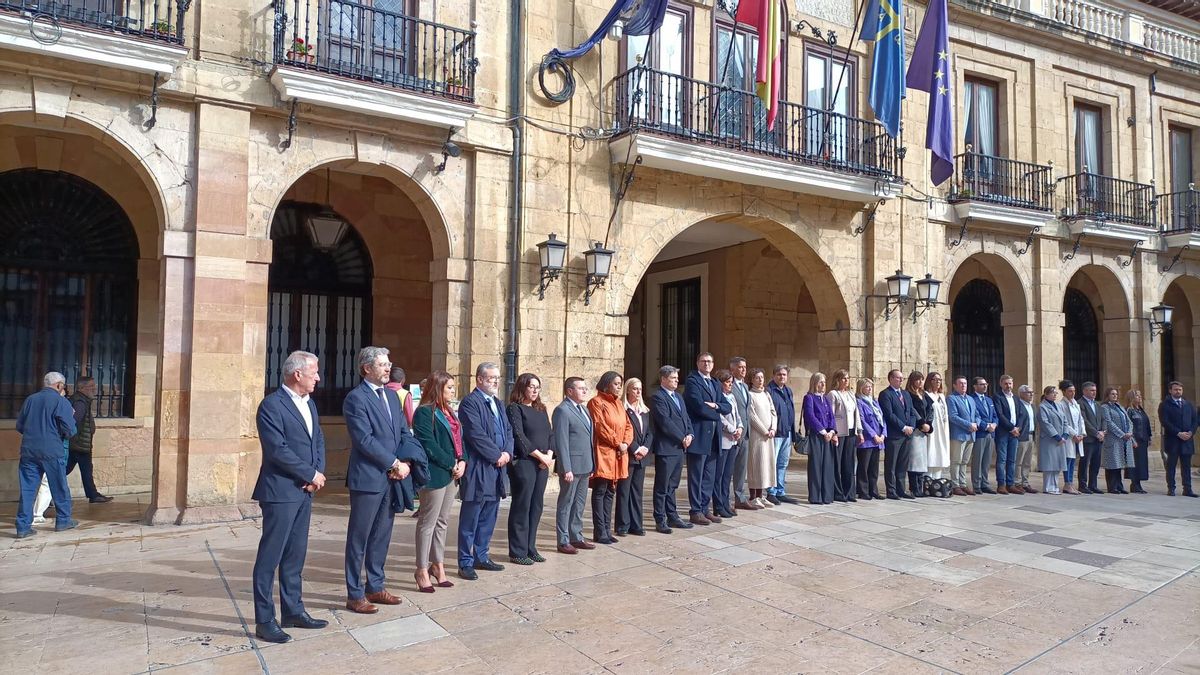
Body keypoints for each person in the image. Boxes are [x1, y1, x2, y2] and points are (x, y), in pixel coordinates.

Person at [251, 351, 328, 644]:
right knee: (270, 557)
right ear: (297, 375)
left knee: (296, 554)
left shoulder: (310, 404)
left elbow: (317, 439)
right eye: (314, 373)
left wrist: (317, 473)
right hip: (281, 491)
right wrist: (310, 474)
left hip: (305, 490)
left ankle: (293, 610)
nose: (318, 378)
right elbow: (278, 449)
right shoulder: (272, 405)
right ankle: (265, 619)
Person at [343, 346, 424, 613]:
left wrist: (407, 461)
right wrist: (393, 462)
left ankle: (375, 586)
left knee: (382, 535)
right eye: (382, 364)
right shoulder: (356, 398)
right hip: (368, 478)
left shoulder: (391, 398)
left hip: (392, 477)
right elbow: (364, 439)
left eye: (389, 364)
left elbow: (403, 432)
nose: (388, 368)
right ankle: (355, 593)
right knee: (360, 536)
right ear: (367, 368)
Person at [457, 362, 513, 577]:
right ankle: (465, 561)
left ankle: (482, 555)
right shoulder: (470, 403)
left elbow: (507, 430)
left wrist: (507, 453)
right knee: (471, 516)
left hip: (498, 467)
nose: (496, 381)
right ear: (479, 379)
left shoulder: (497, 403)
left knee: (490, 513)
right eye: (491, 378)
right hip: (480, 467)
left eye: (497, 378)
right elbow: (475, 433)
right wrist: (496, 455)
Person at [412, 370, 466, 592]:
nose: (453, 391)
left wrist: (462, 461)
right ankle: (421, 569)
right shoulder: (425, 413)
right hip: (436, 473)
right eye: (449, 387)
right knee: (428, 522)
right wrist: (450, 463)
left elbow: (459, 441)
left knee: (443, 522)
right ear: (437, 388)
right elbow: (428, 444)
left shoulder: (450, 412)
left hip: (453, 473)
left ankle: (438, 565)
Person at [14, 372, 77, 538]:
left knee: (27, 490)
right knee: (59, 486)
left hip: (29, 450)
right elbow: (70, 430)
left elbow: (20, 425)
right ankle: (63, 520)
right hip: (51, 450)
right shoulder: (60, 401)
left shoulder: (30, 400)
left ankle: (23, 526)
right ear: (59, 385)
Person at [506, 373, 554, 565]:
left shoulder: (541, 409)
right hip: (525, 462)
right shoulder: (514, 409)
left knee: (536, 506)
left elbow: (550, 433)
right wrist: (539, 455)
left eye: (537, 387)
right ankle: (517, 551)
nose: (535, 390)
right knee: (522, 505)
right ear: (522, 387)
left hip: (543, 463)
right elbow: (519, 436)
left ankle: (530, 547)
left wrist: (549, 455)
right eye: (531, 386)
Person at [684, 353, 732, 524]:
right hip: (700, 435)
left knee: (709, 476)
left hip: (714, 436)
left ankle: (705, 508)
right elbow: (698, 407)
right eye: (703, 361)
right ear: (697, 363)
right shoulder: (692, 381)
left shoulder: (714, 383)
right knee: (696, 475)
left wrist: (716, 406)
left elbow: (728, 406)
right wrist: (716, 412)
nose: (707, 364)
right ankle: (695, 510)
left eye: (710, 361)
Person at [589, 371, 633, 544]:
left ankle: (607, 530)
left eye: (620, 384)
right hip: (604, 452)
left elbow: (628, 426)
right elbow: (600, 426)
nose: (619, 387)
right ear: (606, 384)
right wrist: (618, 442)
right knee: (600, 491)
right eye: (616, 384)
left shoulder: (619, 404)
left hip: (619, 454)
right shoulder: (596, 402)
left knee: (610, 491)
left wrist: (625, 443)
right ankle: (599, 531)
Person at [649, 366, 694, 532]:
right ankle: (660, 519)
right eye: (673, 378)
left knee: (672, 485)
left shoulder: (679, 397)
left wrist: (690, 434)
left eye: (676, 377)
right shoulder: (658, 397)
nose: (676, 380)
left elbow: (686, 418)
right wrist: (681, 437)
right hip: (667, 448)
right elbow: (665, 422)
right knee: (662, 486)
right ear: (663, 379)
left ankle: (672, 515)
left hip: (679, 448)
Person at [553, 377, 595, 553]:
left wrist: (592, 464)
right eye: (581, 388)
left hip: (585, 464)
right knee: (566, 502)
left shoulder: (584, 409)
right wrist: (566, 467)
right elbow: (561, 441)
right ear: (569, 391)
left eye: (585, 388)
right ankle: (563, 540)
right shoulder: (562, 410)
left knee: (579, 503)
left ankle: (576, 535)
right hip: (571, 466)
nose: (585, 391)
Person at [65, 377, 111, 504]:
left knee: (82, 469)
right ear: (82, 388)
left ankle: (93, 494)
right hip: (79, 444)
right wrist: (75, 439)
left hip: (79, 444)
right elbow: (74, 422)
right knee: (68, 470)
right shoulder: (80, 402)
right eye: (91, 386)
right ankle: (92, 495)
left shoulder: (82, 400)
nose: (94, 388)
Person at [617, 378, 653, 535]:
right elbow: (623, 432)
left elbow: (649, 432)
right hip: (629, 455)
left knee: (637, 492)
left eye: (640, 389)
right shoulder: (623, 409)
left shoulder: (645, 411)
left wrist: (645, 448)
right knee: (624, 491)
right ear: (628, 390)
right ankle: (622, 525)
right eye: (635, 389)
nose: (638, 392)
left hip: (642, 456)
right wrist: (636, 448)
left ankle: (636, 524)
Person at [879, 369, 917, 500]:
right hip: (895, 434)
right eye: (898, 378)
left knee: (902, 464)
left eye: (902, 378)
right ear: (890, 379)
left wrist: (911, 426)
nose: (901, 380)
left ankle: (901, 489)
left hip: (907, 435)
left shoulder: (906, 394)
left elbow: (912, 412)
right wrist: (903, 427)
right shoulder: (885, 394)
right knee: (891, 463)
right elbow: (889, 415)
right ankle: (891, 490)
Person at [767, 365, 801, 504]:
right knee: (773, 463)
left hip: (787, 432)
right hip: (775, 433)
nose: (782, 377)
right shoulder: (769, 390)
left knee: (782, 463)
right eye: (779, 374)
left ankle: (780, 491)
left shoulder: (788, 391)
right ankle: (771, 491)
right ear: (774, 375)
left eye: (784, 375)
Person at [1157, 381, 1197, 497]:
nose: (1178, 391)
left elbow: (1195, 420)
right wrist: (1178, 433)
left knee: (1186, 466)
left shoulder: (1188, 404)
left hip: (1187, 441)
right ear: (1170, 390)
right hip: (1173, 440)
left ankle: (1187, 489)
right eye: (1175, 389)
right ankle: (1171, 488)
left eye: (1179, 389)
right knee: (1171, 466)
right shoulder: (1165, 405)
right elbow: (1165, 421)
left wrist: (1190, 432)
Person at [728, 357, 758, 511]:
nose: (743, 370)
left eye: (745, 367)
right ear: (732, 369)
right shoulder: (729, 385)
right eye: (740, 367)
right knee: (728, 469)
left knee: (741, 468)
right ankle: (725, 500)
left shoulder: (746, 386)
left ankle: (740, 497)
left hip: (745, 433)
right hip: (732, 434)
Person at [825, 369, 859, 503]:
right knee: (837, 463)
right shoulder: (833, 394)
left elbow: (856, 414)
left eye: (847, 378)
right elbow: (831, 414)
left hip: (851, 431)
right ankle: (838, 492)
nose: (846, 381)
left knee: (849, 463)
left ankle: (849, 492)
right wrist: (833, 432)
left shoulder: (851, 394)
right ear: (837, 380)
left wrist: (859, 431)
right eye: (843, 378)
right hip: (839, 432)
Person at [803, 372, 837, 505]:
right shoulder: (809, 398)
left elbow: (832, 417)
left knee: (827, 466)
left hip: (828, 436)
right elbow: (810, 416)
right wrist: (823, 432)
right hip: (817, 436)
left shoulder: (825, 399)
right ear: (814, 383)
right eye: (820, 382)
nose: (823, 385)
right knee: (816, 466)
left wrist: (832, 431)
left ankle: (827, 496)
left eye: (824, 382)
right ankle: (816, 496)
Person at [746, 368, 777, 507]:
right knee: (756, 465)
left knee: (766, 465)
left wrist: (773, 428)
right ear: (752, 379)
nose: (760, 380)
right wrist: (764, 431)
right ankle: (753, 496)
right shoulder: (750, 395)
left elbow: (773, 412)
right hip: (757, 435)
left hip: (768, 436)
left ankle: (761, 494)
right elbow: (752, 416)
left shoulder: (766, 394)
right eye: (757, 377)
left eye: (762, 377)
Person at [714, 369, 743, 517]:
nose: (730, 385)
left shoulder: (731, 396)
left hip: (733, 440)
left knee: (727, 475)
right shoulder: (718, 398)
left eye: (731, 383)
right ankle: (718, 505)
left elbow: (737, 415)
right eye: (727, 382)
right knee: (719, 475)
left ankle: (726, 503)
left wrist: (739, 427)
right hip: (725, 439)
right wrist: (732, 429)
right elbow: (720, 418)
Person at [992, 375, 1028, 494]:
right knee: (1002, 459)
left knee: (1012, 460)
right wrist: (1011, 428)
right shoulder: (998, 397)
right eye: (1006, 384)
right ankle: (1001, 484)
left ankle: (1010, 483)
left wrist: (1018, 428)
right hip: (1003, 432)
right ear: (1001, 384)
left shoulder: (1016, 398)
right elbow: (1000, 414)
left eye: (1010, 384)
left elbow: (1022, 414)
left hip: (1014, 433)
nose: (1008, 386)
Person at [947, 376, 980, 496]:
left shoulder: (971, 399)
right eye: (960, 383)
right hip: (959, 434)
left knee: (965, 461)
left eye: (965, 383)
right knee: (956, 460)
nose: (963, 386)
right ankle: (955, 485)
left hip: (971, 434)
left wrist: (976, 423)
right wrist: (968, 425)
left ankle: (963, 483)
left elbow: (977, 414)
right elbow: (953, 416)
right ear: (955, 385)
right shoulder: (952, 398)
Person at [1099, 386, 1134, 494]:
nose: (1115, 396)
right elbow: (1109, 423)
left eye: (1116, 394)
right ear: (1107, 395)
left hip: (1123, 440)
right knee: (1112, 464)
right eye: (1112, 394)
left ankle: (1119, 485)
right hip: (1112, 439)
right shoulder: (1105, 407)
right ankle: (1112, 486)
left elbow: (1129, 421)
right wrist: (1122, 434)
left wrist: (1129, 432)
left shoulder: (1120, 407)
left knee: (1120, 464)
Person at [856, 378, 886, 500]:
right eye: (867, 387)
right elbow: (862, 420)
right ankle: (863, 491)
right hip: (868, 440)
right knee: (864, 466)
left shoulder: (874, 401)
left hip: (878, 439)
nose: (869, 389)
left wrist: (883, 434)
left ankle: (873, 490)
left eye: (870, 387)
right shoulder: (859, 401)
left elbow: (882, 418)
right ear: (861, 388)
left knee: (874, 467)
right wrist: (874, 435)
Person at [906, 372, 933, 497]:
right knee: (914, 459)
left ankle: (921, 487)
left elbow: (930, 409)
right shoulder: (909, 395)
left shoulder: (924, 394)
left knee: (922, 459)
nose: (920, 382)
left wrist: (929, 424)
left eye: (922, 380)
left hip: (924, 431)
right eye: (917, 380)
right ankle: (914, 487)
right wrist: (921, 423)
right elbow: (912, 410)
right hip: (916, 429)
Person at [1037, 386, 1068, 494]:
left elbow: (1065, 421)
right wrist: (1056, 436)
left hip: (1060, 440)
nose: (1055, 395)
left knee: (1057, 464)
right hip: (1049, 439)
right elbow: (1045, 424)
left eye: (1056, 393)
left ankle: (1055, 486)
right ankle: (1048, 487)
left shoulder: (1059, 406)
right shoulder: (1042, 407)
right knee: (1049, 464)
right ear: (1046, 394)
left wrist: (1065, 435)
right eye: (1052, 393)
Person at [970, 377, 998, 495]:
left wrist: (994, 424)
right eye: (981, 384)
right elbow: (975, 416)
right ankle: (976, 484)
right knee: (978, 460)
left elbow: (995, 415)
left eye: (986, 384)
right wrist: (986, 426)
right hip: (980, 433)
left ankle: (985, 483)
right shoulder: (972, 399)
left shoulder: (989, 400)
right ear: (975, 386)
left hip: (991, 434)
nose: (985, 386)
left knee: (986, 461)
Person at [1058, 380, 1086, 495]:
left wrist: (1082, 434)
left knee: (1073, 459)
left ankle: (1071, 483)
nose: (1073, 393)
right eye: (1070, 391)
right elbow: (1064, 422)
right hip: (1069, 437)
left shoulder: (1076, 404)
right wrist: (1074, 434)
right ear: (1064, 392)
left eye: (1074, 391)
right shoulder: (1061, 405)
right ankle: (1067, 483)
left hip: (1077, 437)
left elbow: (1081, 420)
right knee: (1068, 460)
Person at [1078, 381, 1104, 494]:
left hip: (1099, 438)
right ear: (1084, 391)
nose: (1094, 392)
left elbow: (1103, 419)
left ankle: (1093, 484)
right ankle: (1082, 485)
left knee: (1096, 463)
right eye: (1091, 390)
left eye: (1095, 390)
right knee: (1085, 462)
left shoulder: (1098, 404)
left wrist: (1103, 431)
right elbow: (1084, 421)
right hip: (1088, 438)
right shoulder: (1080, 403)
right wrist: (1096, 433)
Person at [925, 372, 951, 481]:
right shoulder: (926, 394)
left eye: (940, 380)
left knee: (941, 451)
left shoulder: (942, 396)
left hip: (943, 427)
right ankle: (928, 479)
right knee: (932, 451)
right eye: (935, 379)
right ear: (930, 381)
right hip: (933, 427)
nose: (938, 382)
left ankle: (937, 479)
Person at [1125, 390, 1151, 494]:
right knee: (1134, 463)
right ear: (1131, 397)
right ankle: (1134, 484)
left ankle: (1138, 483)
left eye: (1140, 395)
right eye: (1137, 395)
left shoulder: (1141, 410)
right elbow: (1128, 426)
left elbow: (1146, 424)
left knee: (1141, 463)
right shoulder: (1129, 410)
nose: (1140, 397)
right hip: (1134, 441)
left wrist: (1149, 437)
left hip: (1143, 440)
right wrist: (1132, 439)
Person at [1016, 385, 1039, 493]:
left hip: (1031, 435)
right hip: (1022, 436)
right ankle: (1017, 482)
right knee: (1019, 461)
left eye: (1032, 392)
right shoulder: (1018, 405)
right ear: (1021, 394)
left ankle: (1025, 482)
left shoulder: (1033, 406)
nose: (1031, 394)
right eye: (1028, 392)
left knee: (1027, 462)